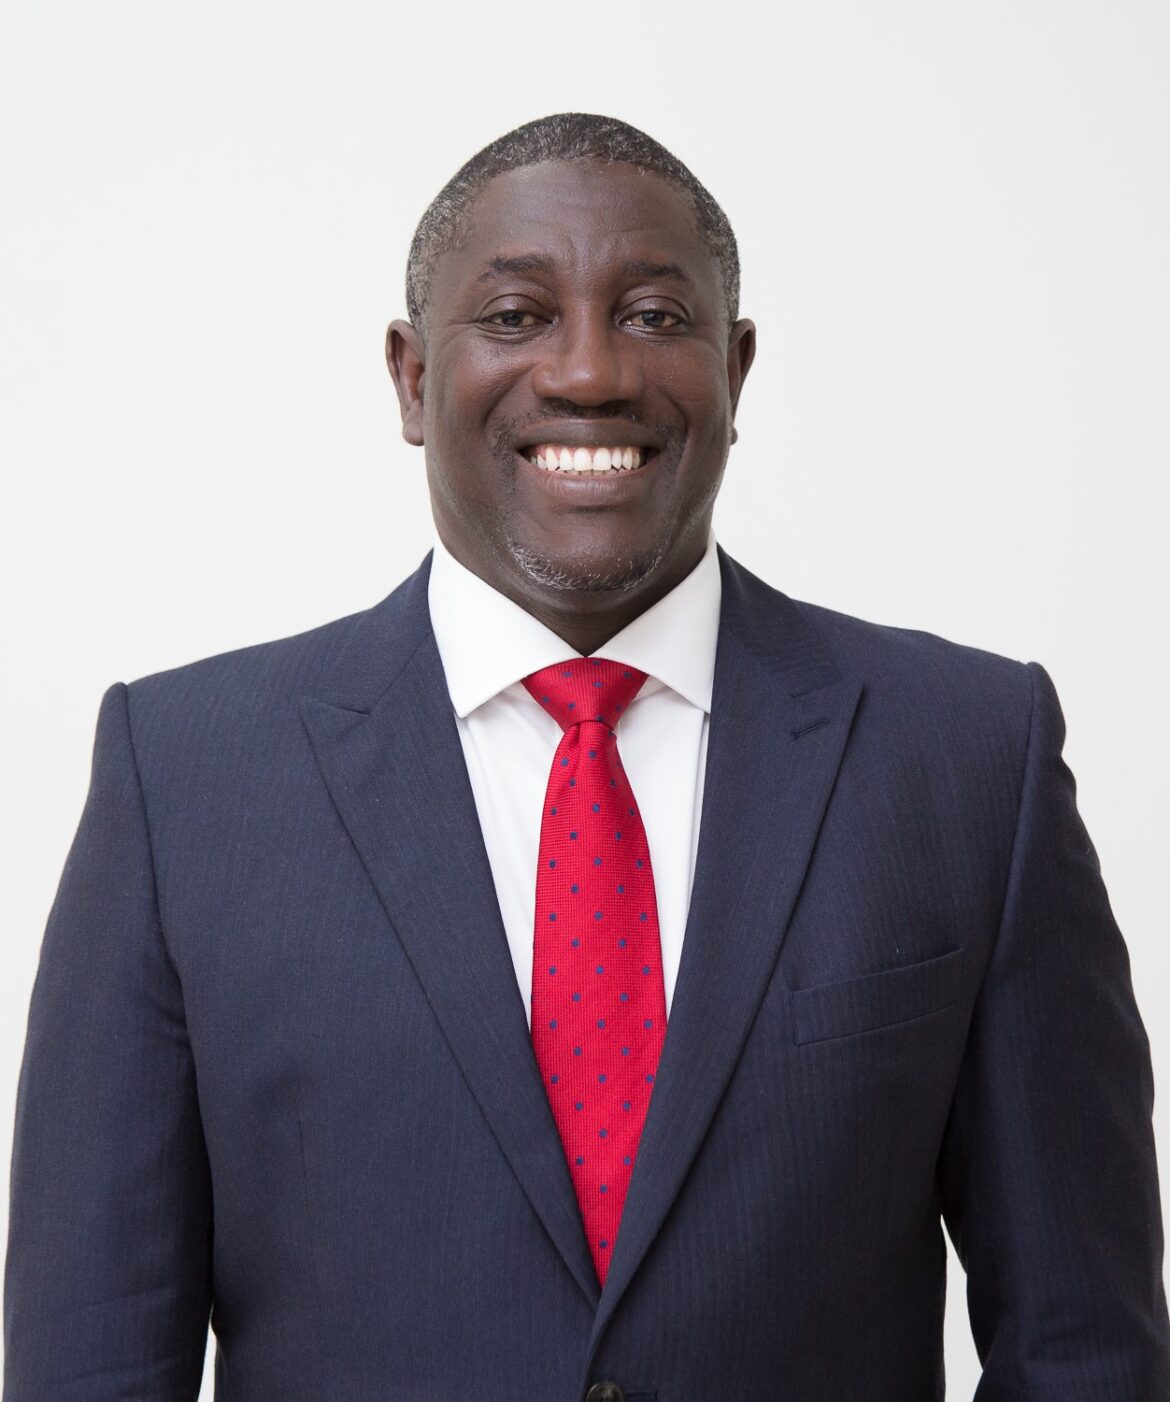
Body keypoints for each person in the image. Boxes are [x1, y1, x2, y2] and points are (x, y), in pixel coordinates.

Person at [5, 112, 1168, 1402]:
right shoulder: (184, 781)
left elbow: (1086, 1348)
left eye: (655, 317)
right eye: (515, 317)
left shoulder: (966, 756)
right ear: (409, 377)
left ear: (737, 371)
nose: (589, 373)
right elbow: (88, 1361)